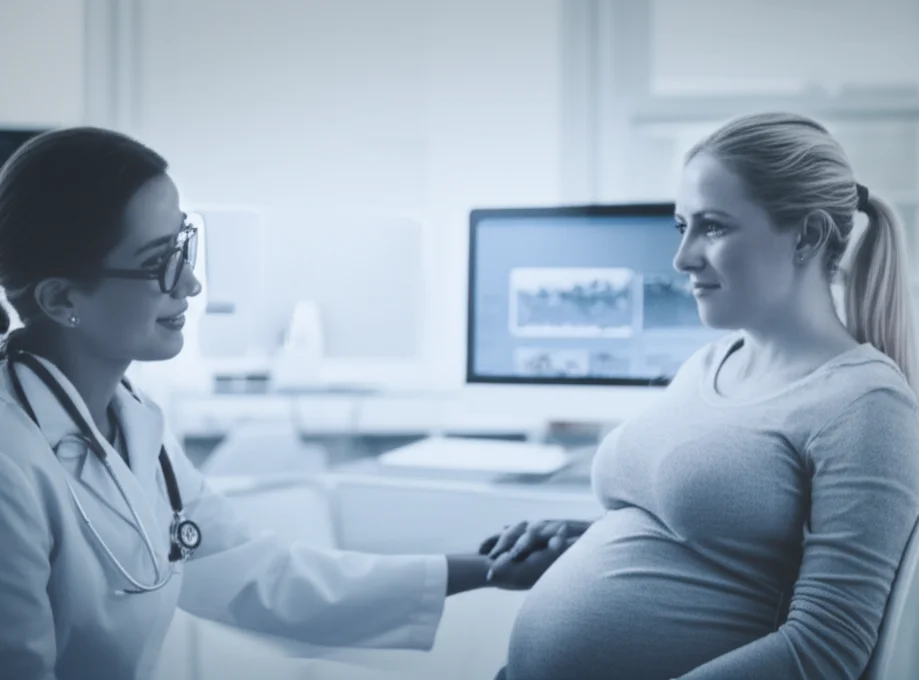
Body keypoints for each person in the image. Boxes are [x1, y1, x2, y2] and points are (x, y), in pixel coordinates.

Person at [0, 127, 568, 680]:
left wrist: (492, 569)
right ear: (62, 298)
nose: (192, 284)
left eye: (183, 246)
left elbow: (265, 577)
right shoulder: (11, 465)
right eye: (158, 264)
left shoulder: (132, 421)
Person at [481, 112, 919, 680]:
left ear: (809, 235)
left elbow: (826, 650)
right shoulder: (711, 362)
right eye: (682, 227)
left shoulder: (864, 403)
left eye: (714, 227)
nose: (682, 257)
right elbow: (711, 540)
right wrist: (587, 540)